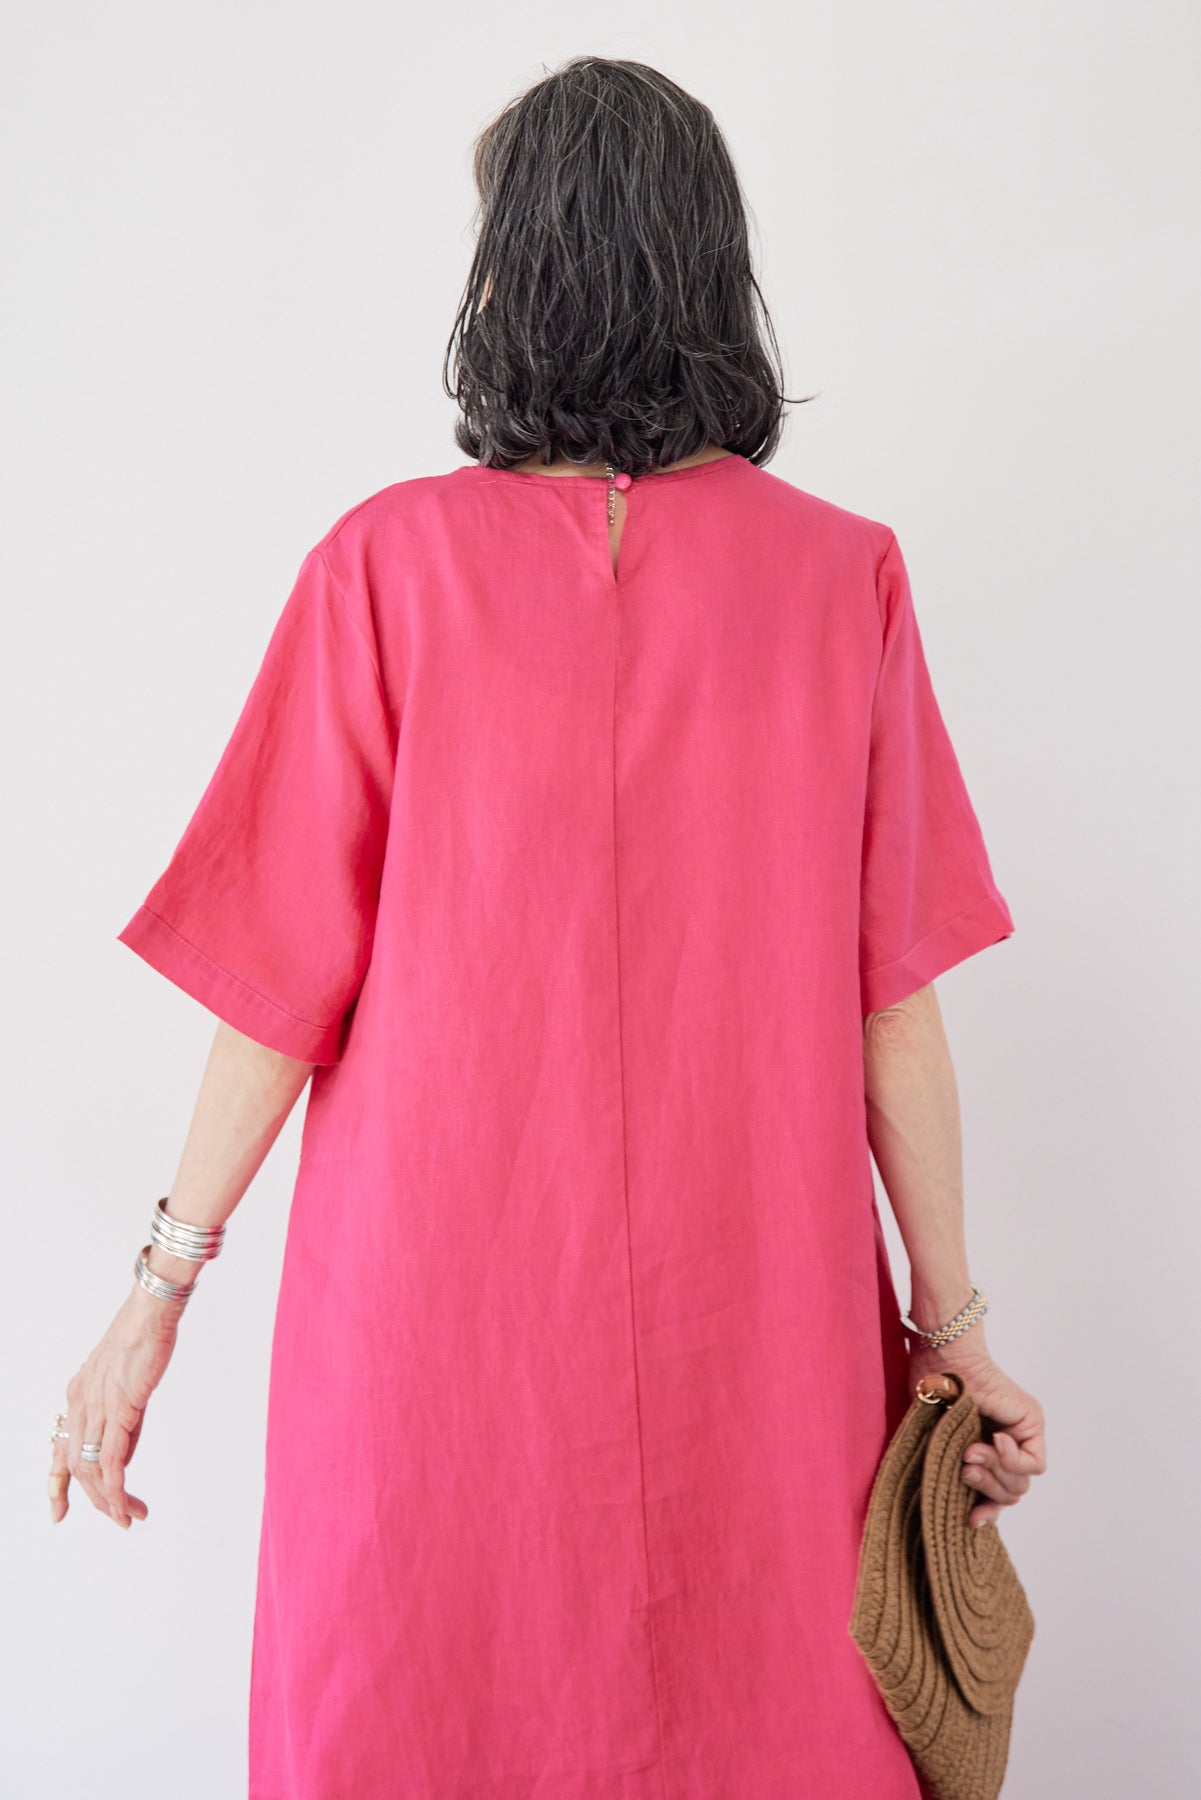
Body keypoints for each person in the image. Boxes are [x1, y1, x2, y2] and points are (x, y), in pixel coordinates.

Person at [48, 53, 1046, 1800]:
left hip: (434, 1335)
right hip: (760, 1326)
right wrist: (950, 1324)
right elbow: (889, 998)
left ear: (513, 270)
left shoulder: (385, 568)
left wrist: (154, 1294)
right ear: (709, 267)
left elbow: (277, 988)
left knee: (410, 1716)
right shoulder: (842, 578)